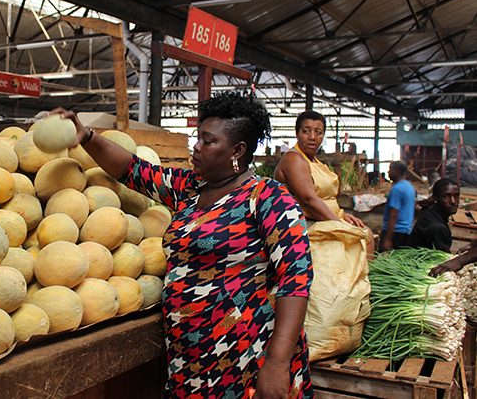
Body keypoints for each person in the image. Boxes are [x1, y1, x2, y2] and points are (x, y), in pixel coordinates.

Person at [53, 92, 313, 399]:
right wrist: (87, 137)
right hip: (189, 359)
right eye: (197, 138)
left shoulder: (269, 198)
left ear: (237, 150)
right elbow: (132, 170)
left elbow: (295, 279)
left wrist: (277, 363)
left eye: (208, 141)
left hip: (246, 356)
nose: (197, 147)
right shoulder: (190, 188)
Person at [274, 110, 365, 228]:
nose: (312, 137)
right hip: (303, 226)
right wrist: (339, 224)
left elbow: (324, 199)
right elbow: (309, 200)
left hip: (324, 219)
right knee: (360, 237)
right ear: (297, 134)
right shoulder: (293, 159)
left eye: (318, 132)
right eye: (306, 131)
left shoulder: (315, 161)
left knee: (364, 230)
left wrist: (341, 215)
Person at [408, 178, 459, 252]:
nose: (453, 201)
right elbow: (445, 261)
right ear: (435, 198)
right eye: (446, 196)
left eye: (456, 196)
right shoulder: (437, 227)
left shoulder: (430, 212)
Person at [380, 161, 416, 251]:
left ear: (397, 171)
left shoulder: (397, 189)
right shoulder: (409, 186)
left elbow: (393, 215)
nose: (388, 172)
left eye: (390, 169)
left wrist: (388, 239)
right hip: (406, 231)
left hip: (395, 232)